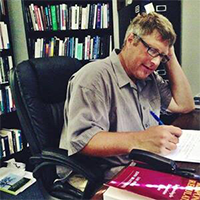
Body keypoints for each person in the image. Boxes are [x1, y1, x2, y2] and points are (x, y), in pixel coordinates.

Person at [59, 12, 195, 179]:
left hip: (142, 165)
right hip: (98, 177)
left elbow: (185, 105)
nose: (156, 62)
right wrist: (140, 140)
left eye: (161, 56)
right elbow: (82, 140)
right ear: (131, 40)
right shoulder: (94, 77)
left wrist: (170, 55)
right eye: (152, 50)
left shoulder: (148, 77)